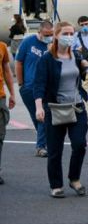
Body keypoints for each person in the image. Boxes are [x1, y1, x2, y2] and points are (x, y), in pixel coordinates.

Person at [33, 22, 88, 197]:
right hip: (55, 108)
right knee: (55, 150)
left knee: (80, 145)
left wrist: (85, 66)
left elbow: (80, 77)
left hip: (77, 106)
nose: (69, 36)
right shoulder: (47, 59)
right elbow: (39, 84)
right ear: (56, 35)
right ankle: (56, 185)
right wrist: (38, 107)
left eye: (72, 33)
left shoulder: (77, 56)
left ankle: (74, 178)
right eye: (66, 33)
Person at [16, 20, 53, 157]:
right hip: (28, 87)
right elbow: (19, 62)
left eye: (51, 34)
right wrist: (21, 84)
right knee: (36, 117)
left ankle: (41, 146)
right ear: (39, 32)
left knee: (43, 116)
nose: (49, 36)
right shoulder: (28, 42)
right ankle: (45, 141)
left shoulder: (53, 45)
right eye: (46, 34)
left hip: (45, 88)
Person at [0, 39, 15, 185]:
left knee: (0, 136)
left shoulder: (2, 46)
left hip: (0, 97)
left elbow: (6, 70)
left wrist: (12, 94)